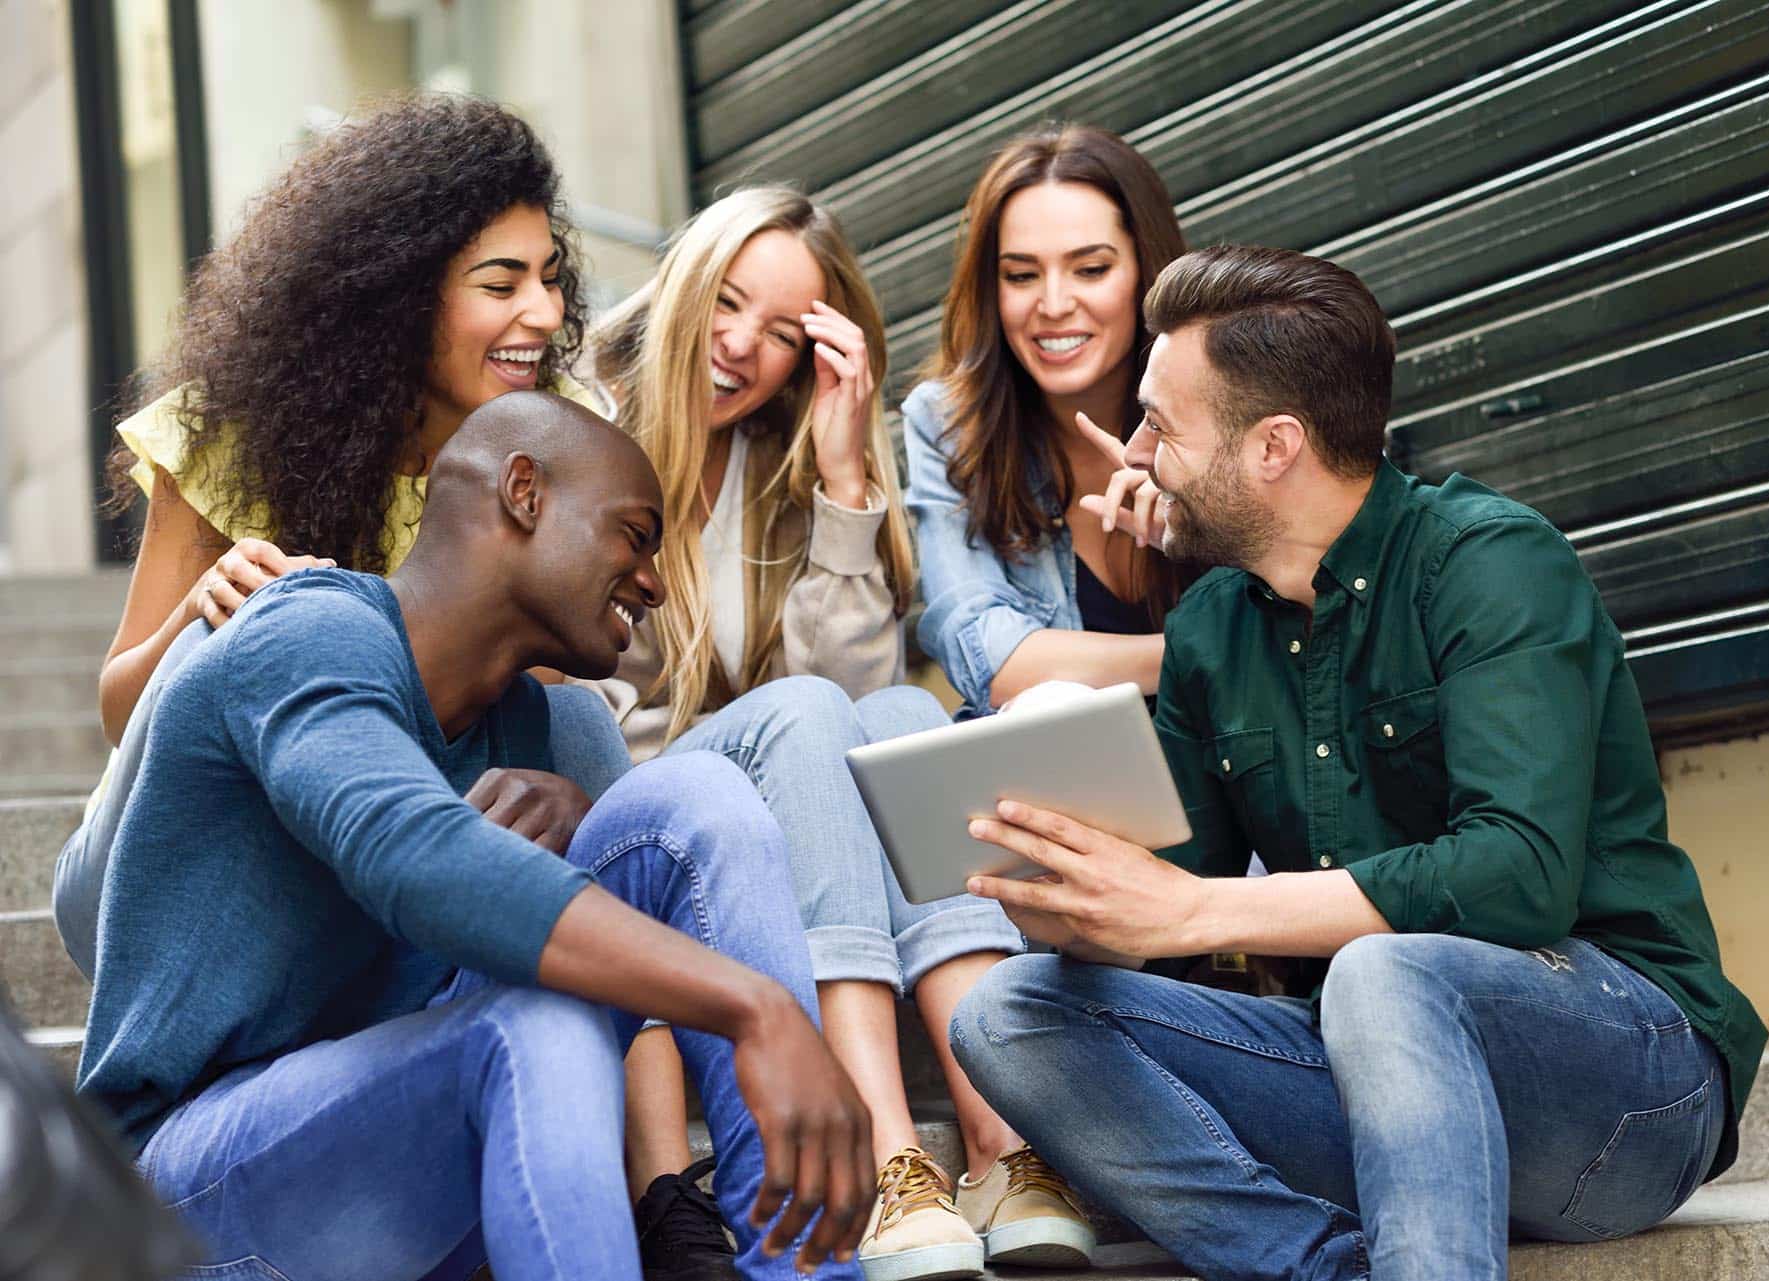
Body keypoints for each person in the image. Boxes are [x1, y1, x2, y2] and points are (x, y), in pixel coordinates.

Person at [950, 246, 1769, 1281]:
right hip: (1371, 1087)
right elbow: (1167, 908)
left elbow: (1518, 877)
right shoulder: (1210, 628)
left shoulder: (1490, 564)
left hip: (1626, 1090)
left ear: (1274, 448)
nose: (1139, 455)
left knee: (1387, 968)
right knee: (1010, 1013)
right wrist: (1066, 891)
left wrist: (1197, 911)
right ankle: (1321, 1267)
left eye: (1163, 424)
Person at [78, 391, 875, 1281]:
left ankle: (806, 1270)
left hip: (403, 1165)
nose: (653, 580)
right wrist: (754, 1005)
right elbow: (411, 857)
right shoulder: (307, 629)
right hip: (184, 1196)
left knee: (696, 796)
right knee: (526, 1026)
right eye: (635, 534)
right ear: (524, 492)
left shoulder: (530, 728)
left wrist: (587, 828)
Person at [579, 186, 1087, 1281]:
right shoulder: (583, 426)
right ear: (683, 283)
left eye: (779, 333)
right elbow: (585, 700)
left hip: (776, 779)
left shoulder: (781, 458)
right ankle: (885, 1154)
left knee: (907, 718)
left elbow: (851, 690)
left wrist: (847, 473)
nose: (739, 349)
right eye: (727, 304)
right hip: (643, 813)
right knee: (820, 716)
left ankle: (999, 1145)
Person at [55, 92, 632, 981]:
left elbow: (522, 712)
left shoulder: (552, 448)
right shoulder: (229, 435)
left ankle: (624, 1065)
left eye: (550, 276)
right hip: (169, 865)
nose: (546, 313)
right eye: (501, 283)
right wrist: (203, 622)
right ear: (400, 297)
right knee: (245, 627)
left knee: (573, 719)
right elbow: (117, 709)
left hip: (389, 847)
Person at [903, 125, 1188, 720]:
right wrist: (1200, 654)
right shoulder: (948, 426)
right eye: (1022, 275)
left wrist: (1202, 527)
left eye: (1090, 269)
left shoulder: (1228, 399)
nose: (1053, 304)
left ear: (1146, 270)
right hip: (1067, 781)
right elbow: (988, 660)